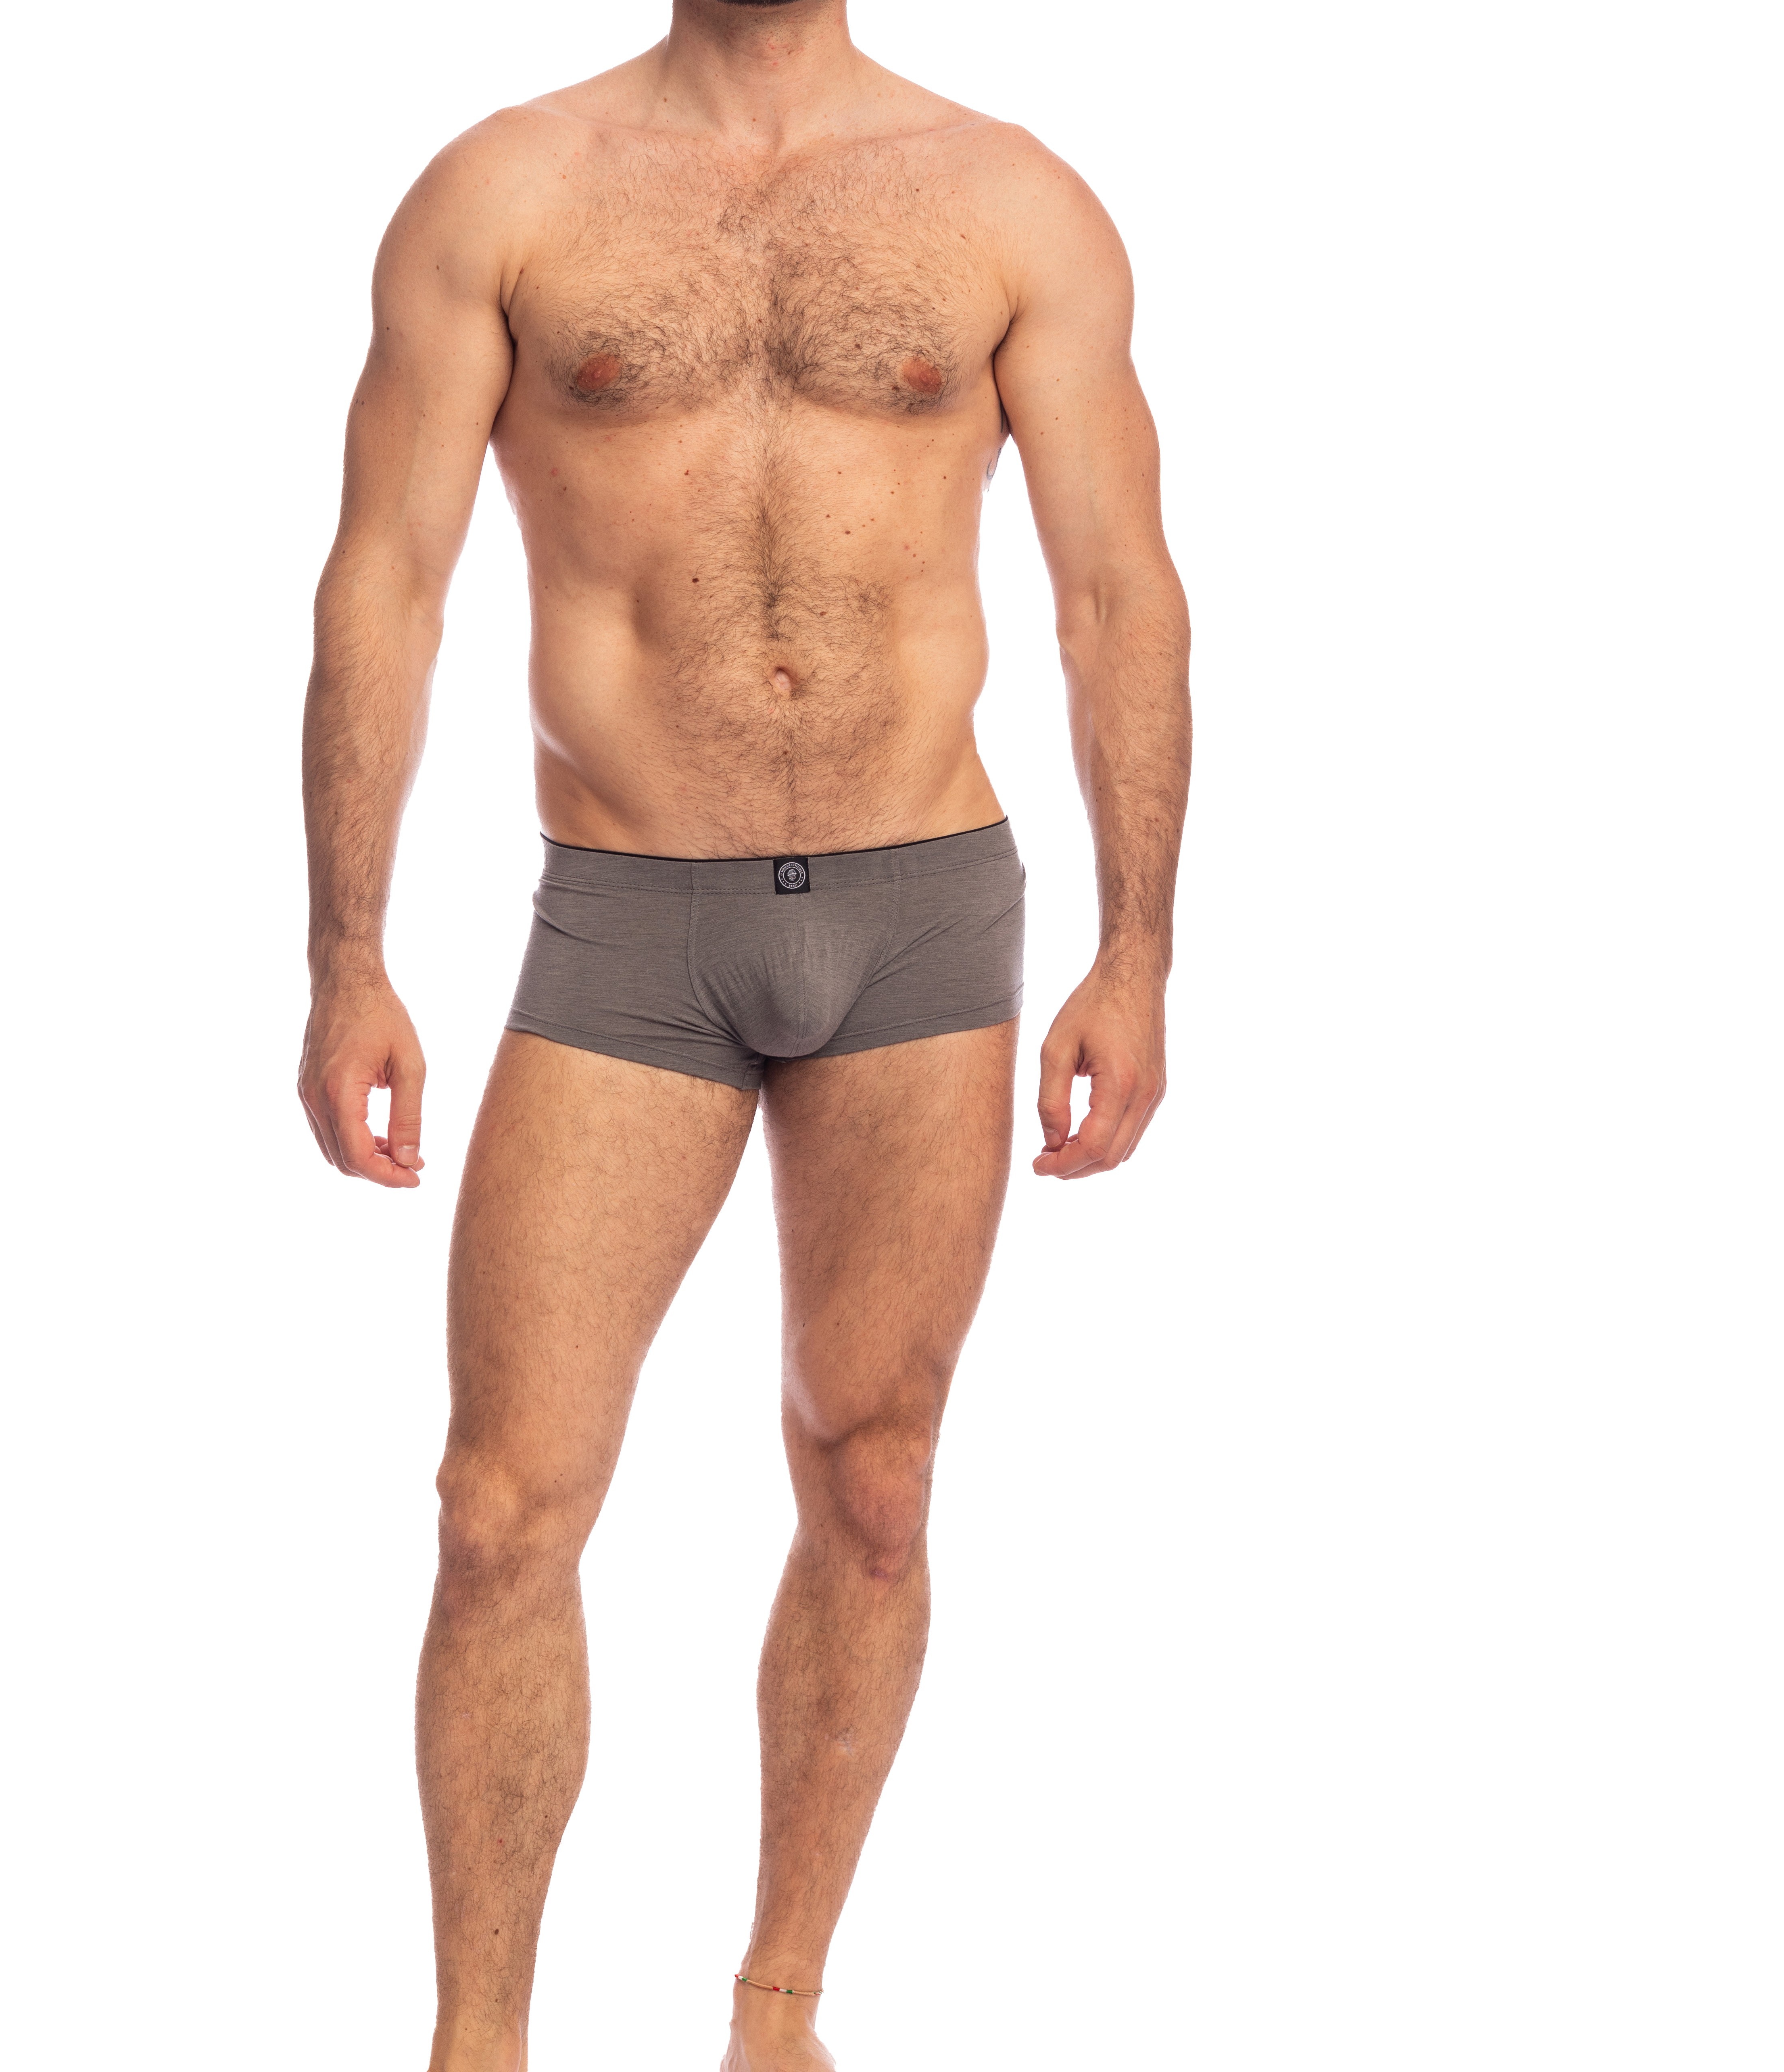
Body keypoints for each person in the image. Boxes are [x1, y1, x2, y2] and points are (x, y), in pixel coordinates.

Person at [296, 1, 1190, 2064]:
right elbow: (387, 579)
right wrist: (348, 952)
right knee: (502, 1508)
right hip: (629, 917)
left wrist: (1137, 951)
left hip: (922, 910)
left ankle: (775, 2009)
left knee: (874, 1481)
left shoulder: (1011, 199)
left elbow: (1116, 594)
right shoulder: (507, 188)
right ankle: (478, 2041)